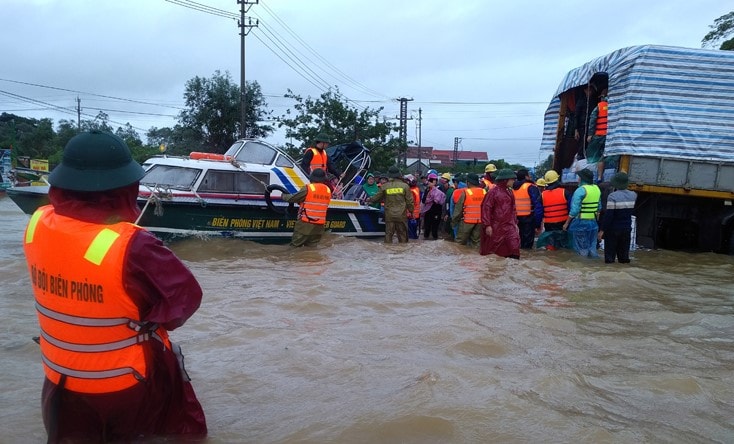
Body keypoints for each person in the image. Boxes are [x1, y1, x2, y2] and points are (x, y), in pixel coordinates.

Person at [21, 130, 207, 442]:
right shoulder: (133, 245)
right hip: (124, 388)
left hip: (60, 382)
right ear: (123, 188)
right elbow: (185, 299)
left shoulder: (37, 223)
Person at [282, 168, 332, 247]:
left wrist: (283, 195)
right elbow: (316, 203)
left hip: (305, 225)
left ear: (311, 177)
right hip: (319, 227)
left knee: (295, 248)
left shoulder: (309, 188)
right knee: (311, 249)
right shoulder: (328, 190)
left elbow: (292, 198)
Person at [480, 168, 520, 259]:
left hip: (509, 225)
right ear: (505, 180)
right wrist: (487, 225)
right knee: (494, 250)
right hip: (496, 226)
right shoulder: (492, 192)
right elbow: (486, 208)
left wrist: (515, 223)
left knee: (514, 247)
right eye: (512, 179)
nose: (514, 181)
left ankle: (513, 269)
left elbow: (513, 209)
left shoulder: (510, 192)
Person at [367, 166, 414, 243]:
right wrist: (411, 212)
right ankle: (403, 252)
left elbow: (376, 198)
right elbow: (410, 201)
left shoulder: (385, 186)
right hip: (401, 215)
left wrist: (369, 199)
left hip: (389, 215)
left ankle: (387, 252)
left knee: (388, 234)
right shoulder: (405, 186)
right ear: (399, 174)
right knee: (402, 235)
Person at [599, 171, 637, 263]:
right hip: (626, 229)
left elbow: (609, 216)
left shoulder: (612, 196)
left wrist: (602, 230)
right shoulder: (634, 195)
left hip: (613, 230)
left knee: (609, 259)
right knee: (624, 259)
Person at [563, 168, 602, 258]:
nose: (578, 179)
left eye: (579, 177)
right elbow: (599, 208)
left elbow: (574, 210)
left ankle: (582, 268)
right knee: (592, 249)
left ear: (582, 179)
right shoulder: (597, 189)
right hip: (593, 223)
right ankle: (593, 267)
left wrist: (566, 223)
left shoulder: (580, 190)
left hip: (580, 223)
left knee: (581, 250)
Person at [536, 170, 572, 250]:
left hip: (549, 226)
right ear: (557, 180)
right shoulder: (565, 192)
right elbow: (571, 209)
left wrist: (537, 225)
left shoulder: (542, 195)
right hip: (563, 224)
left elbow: (538, 213)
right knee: (563, 246)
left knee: (550, 245)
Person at [452, 174, 486, 247]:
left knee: (459, 244)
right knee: (476, 244)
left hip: (467, 222)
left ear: (468, 182)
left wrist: (454, 222)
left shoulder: (466, 193)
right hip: (480, 222)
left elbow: (458, 210)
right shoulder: (484, 192)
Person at [513, 168, 543, 249]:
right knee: (527, 246)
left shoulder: (513, 188)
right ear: (526, 177)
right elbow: (538, 206)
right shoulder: (531, 187)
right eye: (529, 175)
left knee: (519, 242)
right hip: (529, 219)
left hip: (516, 220)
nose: (530, 177)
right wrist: (538, 224)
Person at [586, 89, 608, 183]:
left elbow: (592, 121)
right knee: (605, 156)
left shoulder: (599, 107)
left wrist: (590, 135)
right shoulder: (615, 106)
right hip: (609, 137)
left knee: (594, 156)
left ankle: (597, 177)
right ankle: (604, 176)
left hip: (598, 136)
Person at [421, 173, 446, 240]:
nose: (429, 182)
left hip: (436, 212)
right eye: (429, 180)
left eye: (431, 181)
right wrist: (428, 198)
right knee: (427, 228)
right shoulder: (427, 189)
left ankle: (434, 239)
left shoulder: (439, 189)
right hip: (428, 212)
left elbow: (441, 201)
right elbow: (423, 200)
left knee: (435, 228)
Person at [405, 174, 421, 239]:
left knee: (411, 235)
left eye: (407, 181)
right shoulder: (416, 189)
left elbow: (411, 204)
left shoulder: (411, 191)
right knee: (414, 234)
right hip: (416, 214)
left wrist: (409, 212)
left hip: (411, 214)